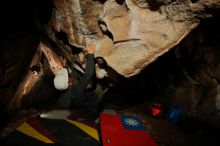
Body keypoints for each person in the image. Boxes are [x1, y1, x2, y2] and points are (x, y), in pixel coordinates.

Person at [53, 44, 103, 113]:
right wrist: (91, 53)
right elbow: (88, 74)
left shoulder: (61, 97)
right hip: (87, 103)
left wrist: (64, 66)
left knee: (74, 74)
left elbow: (64, 79)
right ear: (70, 83)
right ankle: (96, 106)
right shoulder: (76, 91)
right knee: (98, 89)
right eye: (67, 77)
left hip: (75, 103)